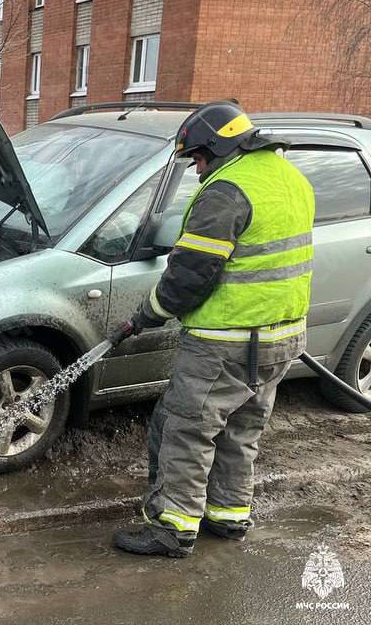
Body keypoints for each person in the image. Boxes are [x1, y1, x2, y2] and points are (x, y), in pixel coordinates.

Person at [112, 101, 316, 558]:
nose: (198, 169)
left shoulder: (226, 193)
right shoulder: (290, 178)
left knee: (183, 428)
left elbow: (189, 276)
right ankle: (227, 517)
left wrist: (147, 314)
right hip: (281, 339)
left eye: (199, 158)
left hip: (223, 342)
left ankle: (173, 527)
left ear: (220, 147)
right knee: (242, 428)